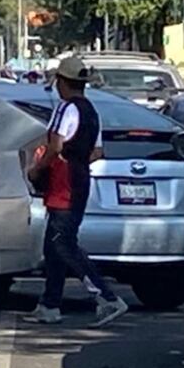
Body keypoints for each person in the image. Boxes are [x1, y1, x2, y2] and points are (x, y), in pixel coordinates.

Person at [25, 56, 129, 327]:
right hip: (81, 179)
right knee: (53, 243)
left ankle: (106, 297)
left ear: (62, 82)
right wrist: (79, 162)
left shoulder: (65, 109)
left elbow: (55, 146)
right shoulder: (92, 113)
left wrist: (38, 169)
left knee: (63, 241)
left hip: (64, 181)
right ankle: (50, 303)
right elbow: (97, 151)